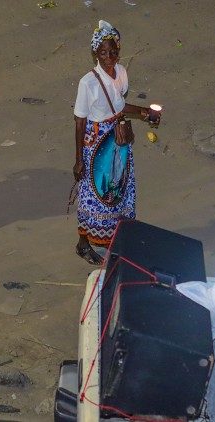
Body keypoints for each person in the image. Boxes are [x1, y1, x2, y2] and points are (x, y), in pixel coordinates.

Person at [72, 20, 154, 265]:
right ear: (95, 53)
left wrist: (144, 112)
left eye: (113, 51)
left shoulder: (122, 73)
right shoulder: (88, 83)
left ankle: (107, 244)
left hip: (118, 141)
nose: (109, 57)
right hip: (96, 144)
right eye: (104, 52)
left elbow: (118, 106)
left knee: (118, 192)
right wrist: (79, 161)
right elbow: (79, 122)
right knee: (97, 196)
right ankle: (88, 244)